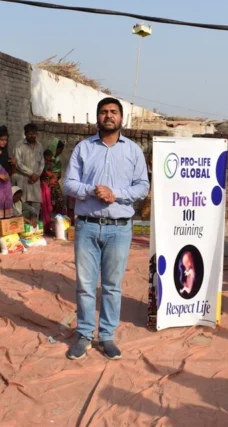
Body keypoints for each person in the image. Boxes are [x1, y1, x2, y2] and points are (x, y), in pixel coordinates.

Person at [64, 97, 149, 360]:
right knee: (85, 285)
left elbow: (142, 187)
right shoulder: (83, 148)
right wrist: (92, 190)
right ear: (97, 117)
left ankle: (108, 335)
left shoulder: (133, 150)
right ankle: (85, 334)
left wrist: (116, 194)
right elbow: (68, 184)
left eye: (113, 112)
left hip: (119, 229)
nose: (108, 116)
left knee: (112, 286)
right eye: (103, 112)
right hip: (87, 227)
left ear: (122, 118)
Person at [12, 123, 43, 224]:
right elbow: (18, 163)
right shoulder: (19, 145)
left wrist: (37, 175)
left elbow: (42, 163)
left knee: (36, 208)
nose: (32, 136)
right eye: (30, 134)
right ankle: (23, 232)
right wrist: (31, 174)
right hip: (23, 182)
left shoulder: (39, 146)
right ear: (25, 134)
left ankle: (35, 231)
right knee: (23, 207)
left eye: (34, 134)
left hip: (35, 183)